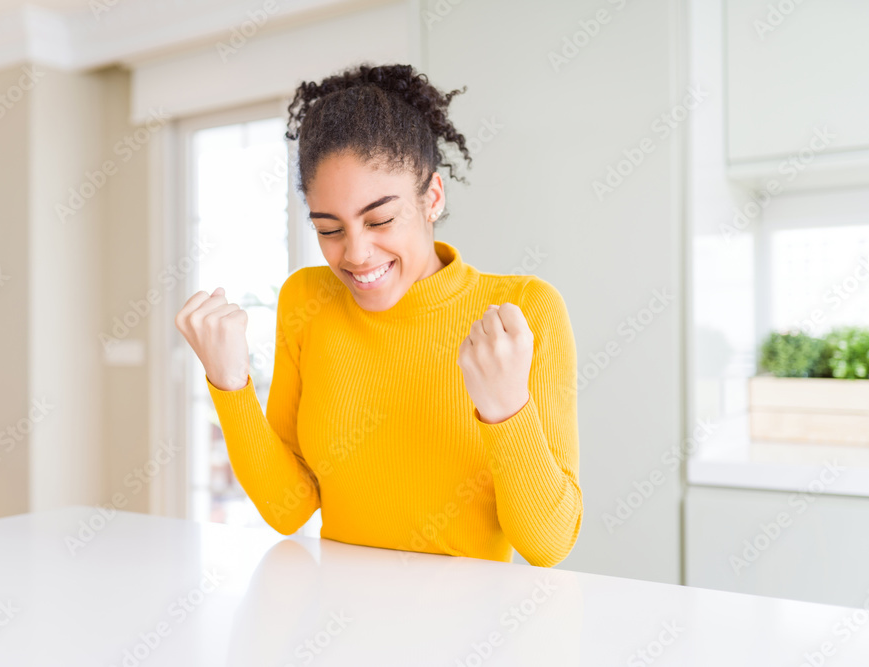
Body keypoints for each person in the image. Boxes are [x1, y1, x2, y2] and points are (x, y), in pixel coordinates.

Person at [175, 63, 582, 567]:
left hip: (474, 634)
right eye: (329, 229)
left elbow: (548, 545)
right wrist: (229, 383)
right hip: (335, 624)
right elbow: (289, 509)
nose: (357, 253)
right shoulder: (307, 299)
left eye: (380, 219)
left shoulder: (522, 313)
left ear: (431, 197)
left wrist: (506, 409)